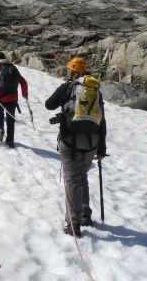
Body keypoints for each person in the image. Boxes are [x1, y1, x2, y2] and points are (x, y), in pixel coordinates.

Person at [45, 57, 107, 237]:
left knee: (72, 179)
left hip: (69, 140)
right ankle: (86, 215)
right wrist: (101, 149)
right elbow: (102, 121)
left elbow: (49, 104)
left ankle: (73, 223)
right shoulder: (95, 90)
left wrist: (64, 92)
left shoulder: (68, 88)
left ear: (71, 70)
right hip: (92, 142)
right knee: (82, 176)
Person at [0, 52, 29, 148]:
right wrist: (25, 94)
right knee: (11, 120)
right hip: (13, 97)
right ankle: (10, 141)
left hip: (0, 97)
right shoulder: (13, 68)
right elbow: (23, 82)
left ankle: (0, 129)